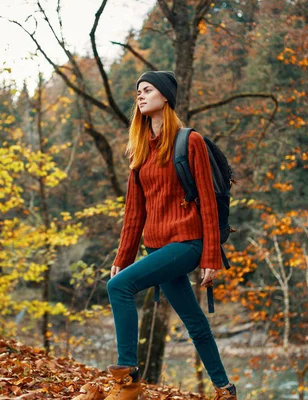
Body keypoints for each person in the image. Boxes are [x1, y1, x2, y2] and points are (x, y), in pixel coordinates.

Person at [104, 71, 237, 400]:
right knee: (193, 319)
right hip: (157, 248)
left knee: (119, 288)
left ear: (165, 97)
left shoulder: (189, 141)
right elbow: (135, 212)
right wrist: (123, 258)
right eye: (138, 91)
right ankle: (225, 390)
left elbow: (207, 200)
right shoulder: (138, 149)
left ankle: (128, 381)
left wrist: (210, 257)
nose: (140, 95)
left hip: (188, 244)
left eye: (147, 89)